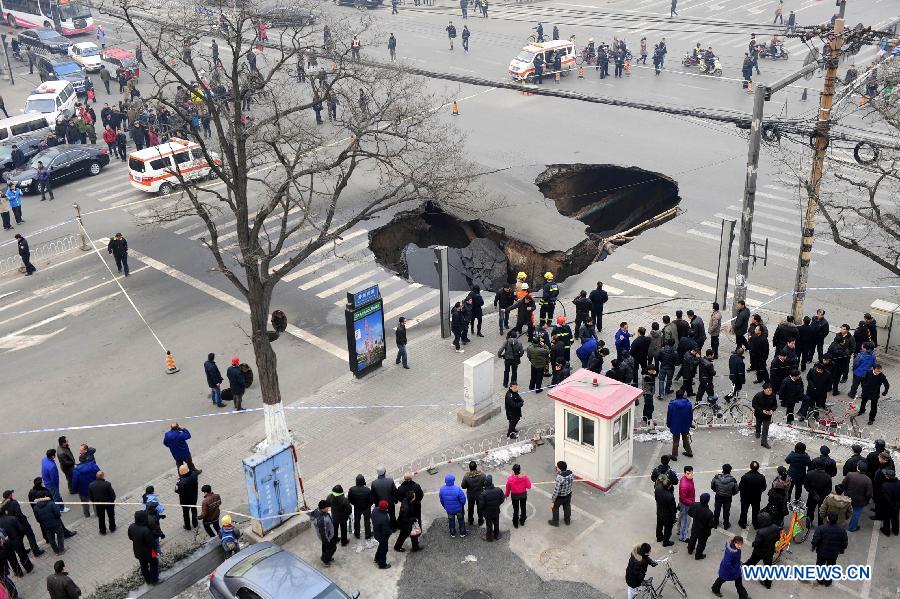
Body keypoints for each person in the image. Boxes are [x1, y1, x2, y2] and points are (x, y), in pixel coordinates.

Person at [811, 512, 848, 585]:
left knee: (820, 565)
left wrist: (813, 546)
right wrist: (842, 550)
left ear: (827, 518)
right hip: (833, 554)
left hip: (822, 552)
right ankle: (828, 581)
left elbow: (816, 539)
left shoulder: (821, 528)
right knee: (830, 566)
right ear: (836, 520)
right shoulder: (842, 530)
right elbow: (844, 543)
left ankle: (820, 579)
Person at [742, 513, 778, 588]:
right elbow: (777, 537)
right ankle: (768, 584)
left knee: (753, 560)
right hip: (770, 551)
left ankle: (745, 567)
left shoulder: (761, 532)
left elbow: (757, 543)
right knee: (768, 567)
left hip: (759, 551)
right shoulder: (775, 527)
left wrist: (753, 544)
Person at [128, 511, 158, 584]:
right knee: (154, 563)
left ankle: (148, 580)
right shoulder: (146, 530)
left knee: (143, 566)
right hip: (151, 552)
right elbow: (152, 544)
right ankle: (154, 580)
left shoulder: (131, 527)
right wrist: (155, 546)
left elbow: (130, 537)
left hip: (138, 552)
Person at [841, 462, 872, 532]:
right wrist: (866, 501)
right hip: (859, 501)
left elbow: (843, 485)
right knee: (856, 513)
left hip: (847, 497)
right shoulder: (868, 480)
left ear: (857, 468)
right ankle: (852, 527)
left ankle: (838, 522)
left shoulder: (850, 475)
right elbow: (869, 494)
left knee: (844, 509)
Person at [72, 446, 100, 518]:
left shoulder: (76, 471)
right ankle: (97, 513)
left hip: (83, 491)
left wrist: (75, 490)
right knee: (94, 502)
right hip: (93, 488)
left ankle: (87, 515)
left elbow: (74, 483)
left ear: (80, 461)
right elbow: (99, 474)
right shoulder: (93, 465)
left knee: (85, 504)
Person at [737, 461, 766, 530]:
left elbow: (740, 487)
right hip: (756, 497)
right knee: (756, 511)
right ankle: (755, 524)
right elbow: (763, 488)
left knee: (744, 510)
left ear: (750, 467)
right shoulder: (761, 477)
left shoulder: (745, 477)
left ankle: (743, 523)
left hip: (745, 497)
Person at [666, 390, 693, 460]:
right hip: (685, 424)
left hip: (675, 425)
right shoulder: (688, 404)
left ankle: (674, 455)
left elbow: (669, 415)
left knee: (675, 440)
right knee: (685, 438)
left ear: (676, 395)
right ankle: (689, 452)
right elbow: (691, 415)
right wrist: (690, 424)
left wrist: (668, 424)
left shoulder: (671, 405)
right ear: (683, 395)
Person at [687, 493, 715, 559]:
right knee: (701, 543)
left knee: (692, 538)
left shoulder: (694, 505)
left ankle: (690, 550)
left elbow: (689, 513)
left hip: (695, 527)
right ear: (708, 501)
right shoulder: (709, 513)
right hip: (703, 532)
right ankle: (698, 555)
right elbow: (711, 525)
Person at [804, 462, 832, 527]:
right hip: (822, 497)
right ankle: (820, 524)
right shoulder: (828, 476)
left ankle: (808, 523)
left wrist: (813, 493)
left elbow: (806, 485)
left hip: (812, 496)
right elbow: (829, 489)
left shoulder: (809, 474)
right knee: (821, 511)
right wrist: (821, 496)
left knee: (810, 510)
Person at [711, 464, 738, 529]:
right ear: (730, 471)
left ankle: (715, 523)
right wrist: (731, 494)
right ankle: (726, 524)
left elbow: (712, 486)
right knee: (726, 511)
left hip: (718, 496)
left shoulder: (716, 478)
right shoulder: (733, 480)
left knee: (717, 510)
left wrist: (716, 491)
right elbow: (736, 490)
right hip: (728, 497)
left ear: (723, 470)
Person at [370, 466, 398, 531]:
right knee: (392, 515)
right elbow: (395, 492)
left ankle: (384, 528)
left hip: (379, 504)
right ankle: (394, 528)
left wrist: (376, 503)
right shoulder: (390, 481)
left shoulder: (374, 483)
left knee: (382, 517)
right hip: (390, 503)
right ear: (385, 472)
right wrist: (395, 500)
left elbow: (373, 495)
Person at [310, 500, 337, 565]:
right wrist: (326, 541)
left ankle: (325, 556)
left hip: (327, 535)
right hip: (327, 537)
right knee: (333, 548)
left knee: (325, 547)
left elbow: (311, 515)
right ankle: (326, 560)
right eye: (327, 507)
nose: (328, 508)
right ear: (323, 508)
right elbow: (323, 533)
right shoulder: (322, 519)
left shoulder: (318, 511)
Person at [478, 475, 504, 541]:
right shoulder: (499, 490)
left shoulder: (483, 494)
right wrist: (497, 504)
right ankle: (496, 535)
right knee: (496, 523)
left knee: (489, 525)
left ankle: (489, 538)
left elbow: (481, 505)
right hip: (496, 511)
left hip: (487, 513)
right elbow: (502, 499)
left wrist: (483, 510)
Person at [505, 464, 531, 528]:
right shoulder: (524, 477)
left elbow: (508, 488)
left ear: (513, 470)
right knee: (523, 508)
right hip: (523, 495)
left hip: (514, 496)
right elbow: (529, 486)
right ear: (519, 470)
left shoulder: (510, 479)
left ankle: (515, 523)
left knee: (515, 509)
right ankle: (522, 521)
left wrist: (506, 495)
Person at [548, 461, 574, 526]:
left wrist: (553, 499)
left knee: (555, 507)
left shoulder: (559, 478)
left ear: (559, 468)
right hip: (568, 494)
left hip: (560, 497)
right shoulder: (570, 473)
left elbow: (556, 490)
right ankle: (567, 520)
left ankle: (555, 522)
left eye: (557, 467)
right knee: (567, 506)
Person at [348, 474, 373, 540]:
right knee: (367, 521)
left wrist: (355, 504)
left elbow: (350, 500)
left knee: (357, 521)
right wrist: (368, 505)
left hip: (357, 507)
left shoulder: (352, 489)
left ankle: (357, 534)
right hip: (366, 508)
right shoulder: (367, 490)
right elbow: (371, 500)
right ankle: (368, 534)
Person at [655, 478, 676, 546]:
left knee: (659, 526)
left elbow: (656, 498)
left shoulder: (657, 488)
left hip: (659, 511)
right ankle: (666, 542)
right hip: (667, 515)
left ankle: (659, 537)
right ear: (669, 486)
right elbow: (672, 509)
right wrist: (673, 517)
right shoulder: (670, 496)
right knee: (668, 529)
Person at [677, 466, 695, 542]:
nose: (690, 475)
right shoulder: (685, 485)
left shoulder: (686, 479)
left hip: (685, 503)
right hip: (686, 504)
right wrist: (692, 503)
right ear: (685, 473)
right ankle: (683, 537)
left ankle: (679, 530)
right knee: (686, 520)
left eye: (691, 473)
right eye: (688, 473)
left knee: (681, 517)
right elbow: (683, 498)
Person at [880, 469, 900, 536]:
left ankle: (886, 531)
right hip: (897, 505)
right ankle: (896, 531)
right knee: (895, 518)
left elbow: (886, 498)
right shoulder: (899, 483)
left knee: (886, 519)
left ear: (887, 477)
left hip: (888, 506)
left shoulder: (885, 485)